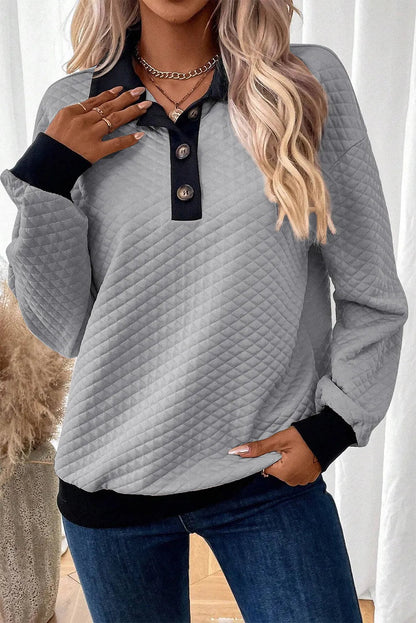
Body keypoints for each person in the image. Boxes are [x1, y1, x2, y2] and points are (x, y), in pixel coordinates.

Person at [1, 0, 408, 621]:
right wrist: (47, 177)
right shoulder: (75, 106)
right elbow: (65, 328)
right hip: (112, 482)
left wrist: (333, 427)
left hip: (267, 476)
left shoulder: (302, 83)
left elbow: (371, 288)